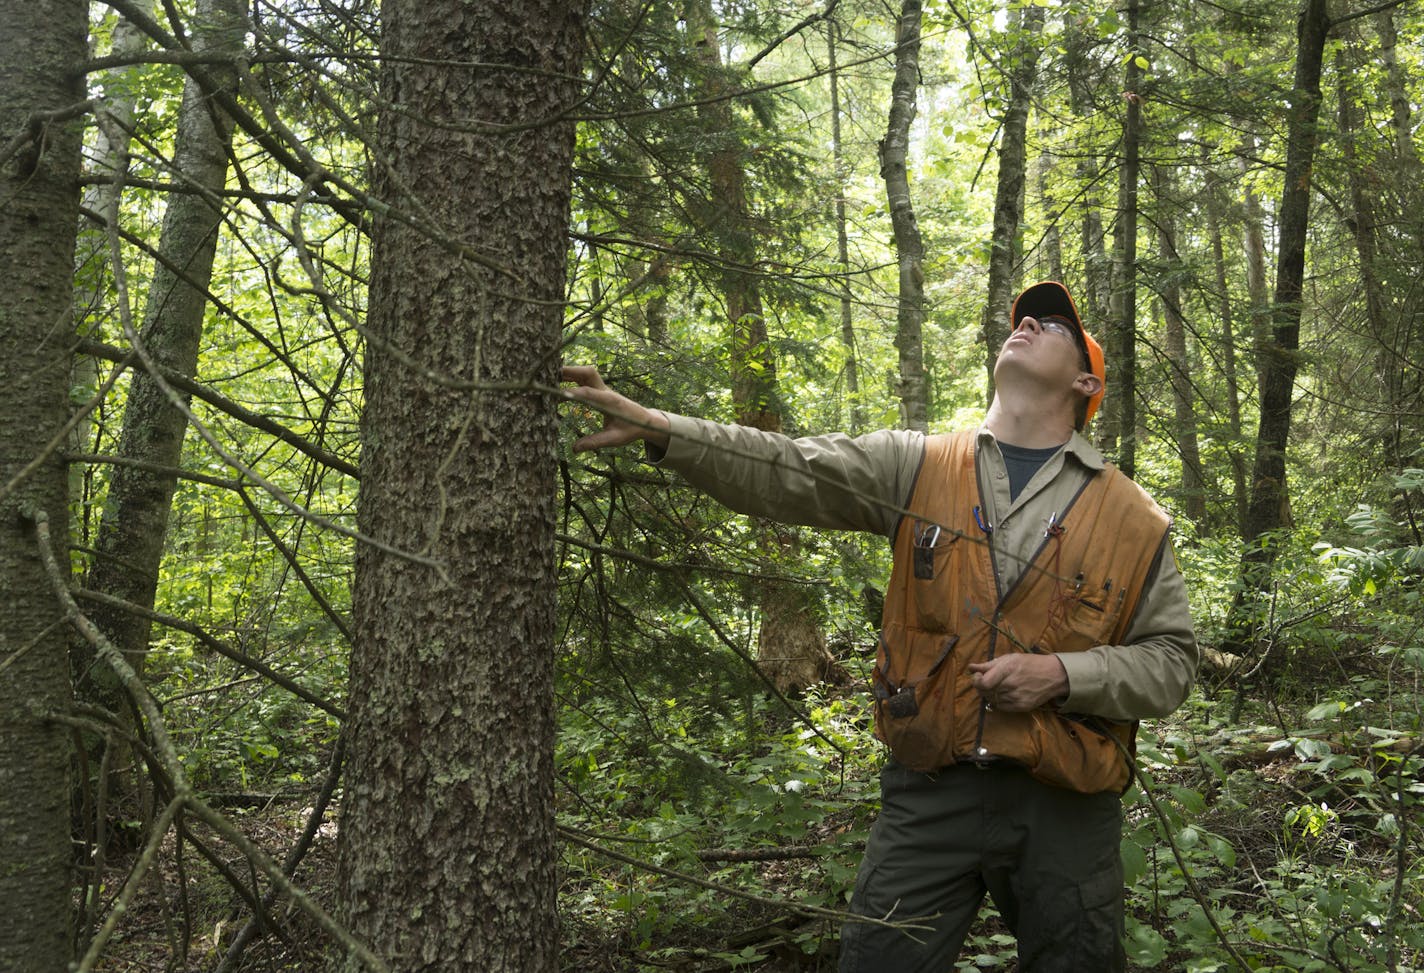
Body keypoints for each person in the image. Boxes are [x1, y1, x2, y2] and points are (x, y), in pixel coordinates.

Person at [562, 280, 1198, 973]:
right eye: (1021, 318)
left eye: (1052, 324)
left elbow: (1170, 662)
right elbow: (788, 469)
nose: (1027, 324)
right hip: (928, 792)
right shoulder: (917, 465)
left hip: (1066, 807)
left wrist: (1063, 675)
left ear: (1084, 379)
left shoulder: (1132, 516)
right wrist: (661, 428)